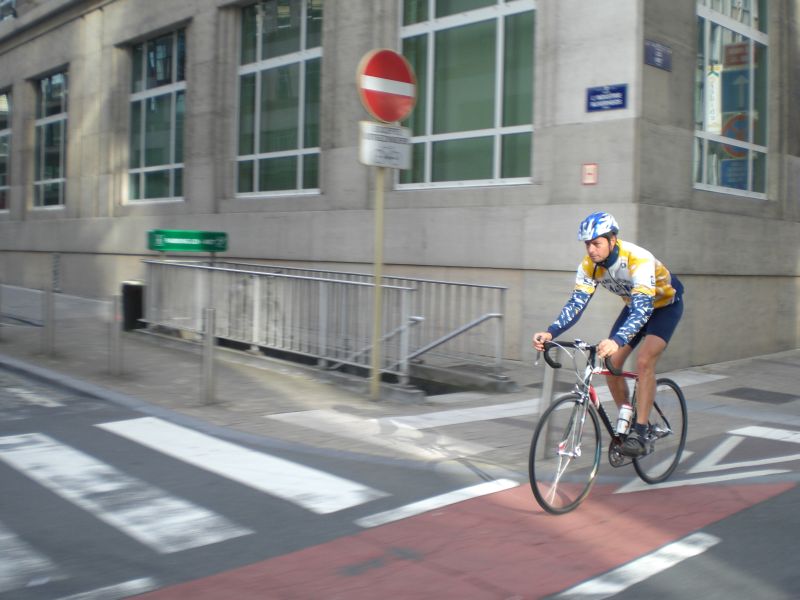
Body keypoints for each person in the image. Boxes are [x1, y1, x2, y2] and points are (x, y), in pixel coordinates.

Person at [532, 211, 684, 457]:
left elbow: (644, 307)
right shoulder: (589, 266)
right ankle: (627, 420)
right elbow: (576, 303)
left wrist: (617, 340)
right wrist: (551, 332)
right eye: (587, 244)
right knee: (611, 362)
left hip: (664, 307)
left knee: (645, 361)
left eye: (596, 243)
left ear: (613, 240)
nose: (591, 249)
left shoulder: (638, 258)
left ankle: (642, 432)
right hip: (634, 307)